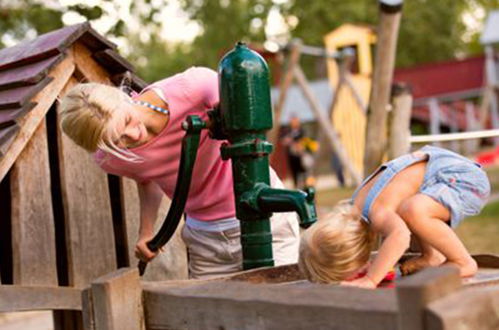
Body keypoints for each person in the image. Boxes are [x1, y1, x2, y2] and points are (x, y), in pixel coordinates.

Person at [59, 66, 299, 279]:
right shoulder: (110, 157)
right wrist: (146, 232)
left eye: (128, 121)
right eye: (117, 138)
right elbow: (147, 179)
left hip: (263, 219)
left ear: (125, 99)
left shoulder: (193, 87)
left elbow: (246, 123)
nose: (132, 135)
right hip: (205, 239)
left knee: (282, 306)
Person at [299, 145, 490, 288]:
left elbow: (399, 237)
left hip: (464, 180)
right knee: (408, 209)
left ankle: (462, 262)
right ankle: (431, 256)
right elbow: (392, 234)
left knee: (413, 210)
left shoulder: (376, 213)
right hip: (445, 172)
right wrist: (382, 264)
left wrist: (371, 278)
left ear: (355, 254)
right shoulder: (357, 206)